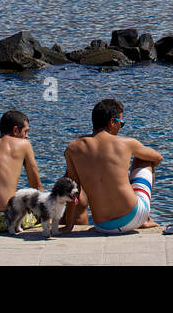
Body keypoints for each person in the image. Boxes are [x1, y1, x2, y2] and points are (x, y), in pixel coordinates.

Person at [63, 98, 162, 234]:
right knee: (144, 159)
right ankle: (146, 218)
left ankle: (141, 214)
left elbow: (74, 190)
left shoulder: (72, 148)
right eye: (121, 123)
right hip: (133, 218)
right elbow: (157, 157)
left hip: (102, 225)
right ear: (112, 122)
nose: (121, 128)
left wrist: (69, 226)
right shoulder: (126, 143)